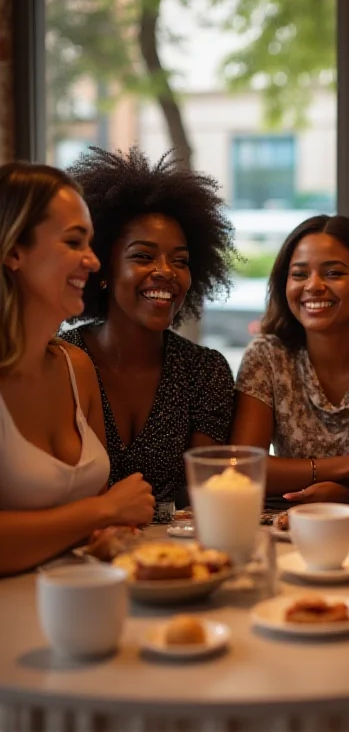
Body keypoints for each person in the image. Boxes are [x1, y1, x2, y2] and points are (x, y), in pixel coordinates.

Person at [0, 162, 154, 576]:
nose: (93, 261)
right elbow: (98, 509)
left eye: (90, 243)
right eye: (73, 242)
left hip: (79, 604)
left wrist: (107, 525)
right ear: (14, 250)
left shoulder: (76, 366)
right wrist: (102, 510)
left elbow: (97, 521)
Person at [61, 146, 235, 507]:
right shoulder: (62, 362)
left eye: (180, 260)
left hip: (179, 553)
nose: (166, 272)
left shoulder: (205, 372)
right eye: (142, 256)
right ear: (103, 268)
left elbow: (207, 494)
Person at [231, 214, 349, 504]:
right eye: (299, 274)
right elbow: (243, 470)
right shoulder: (267, 356)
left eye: (334, 273)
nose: (313, 285)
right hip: (289, 524)